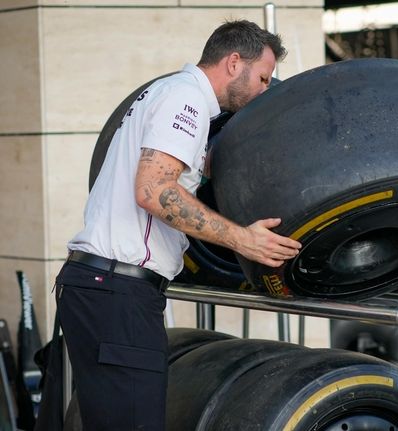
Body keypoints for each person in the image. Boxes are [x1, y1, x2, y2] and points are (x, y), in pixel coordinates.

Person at [40, 20, 302, 431]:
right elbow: (153, 189)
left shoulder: (167, 93)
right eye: (264, 79)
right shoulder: (187, 99)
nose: (265, 90)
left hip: (101, 287)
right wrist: (243, 240)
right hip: (117, 292)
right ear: (234, 62)